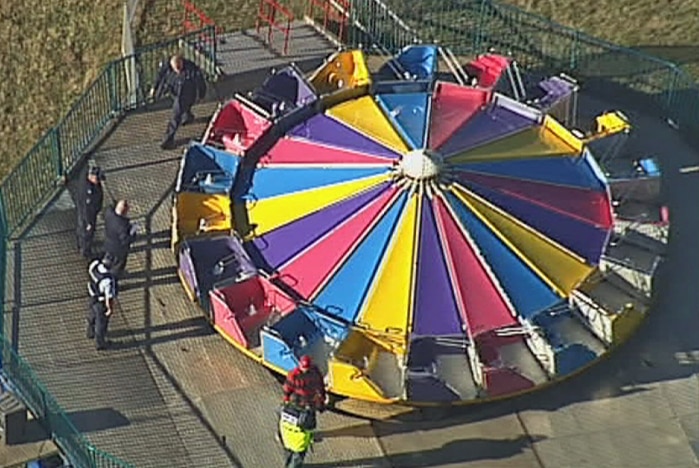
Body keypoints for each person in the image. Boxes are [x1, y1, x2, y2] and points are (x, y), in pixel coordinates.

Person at [149, 54, 207, 150]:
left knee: (175, 116)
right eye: (176, 69)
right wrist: (155, 88)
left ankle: (167, 140)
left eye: (180, 68)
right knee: (183, 108)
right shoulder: (166, 66)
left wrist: (202, 93)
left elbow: (199, 80)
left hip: (186, 92)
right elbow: (159, 76)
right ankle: (187, 116)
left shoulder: (190, 69)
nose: (179, 71)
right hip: (174, 89)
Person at [282, 355, 327, 424]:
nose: (305, 369)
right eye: (303, 367)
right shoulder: (293, 375)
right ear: (299, 365)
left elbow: (320, 385)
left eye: (306, 367)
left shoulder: (315, 371)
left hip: (311, 400)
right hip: (298, 401)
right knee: (299, 419)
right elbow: (287, 388)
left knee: (310, 420)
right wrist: (286, 399)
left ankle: (308, 429)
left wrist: (322, 398)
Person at [87, 254, 119, 350]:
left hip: (92, 295)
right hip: (100, 302)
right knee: (101, 323)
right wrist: (109, 309)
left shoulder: (94, 265)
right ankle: (100, 343)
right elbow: (108, 297)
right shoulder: (108, 280)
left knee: (91, 315)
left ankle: (90, 332)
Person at [75, 166, 104, 258]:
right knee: (86, 233)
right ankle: (85, 250)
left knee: (82, 230)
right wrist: (89, 223)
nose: (99, 181)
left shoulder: (85, 177)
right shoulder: (88, 192)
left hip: (85, 211)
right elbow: (87, 209)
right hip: (88, 215)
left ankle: (81, 244)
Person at [104, 200, 137, 276]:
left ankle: (106, 268)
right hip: (119, 249)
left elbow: (110, 207)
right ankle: (114, 275)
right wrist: (133, 233)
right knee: (119, 263)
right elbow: (125, 240)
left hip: (108, 243)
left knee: (109, 257)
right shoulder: (122, 225)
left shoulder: (109, 214)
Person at [278, 403, 314, 468]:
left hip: (286, 439)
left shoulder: (284, 409)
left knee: (287, 454)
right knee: (296, 461)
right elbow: (311, 426)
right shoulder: (303, 415)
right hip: (299, 443)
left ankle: (287, 464)